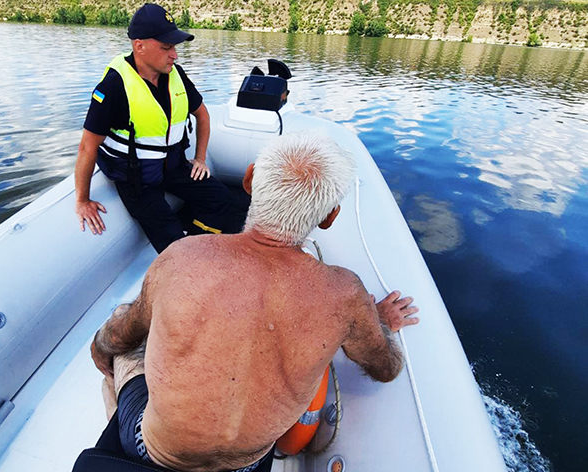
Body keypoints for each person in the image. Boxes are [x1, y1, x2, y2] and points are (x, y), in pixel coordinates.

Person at [90, 133, 420, 472]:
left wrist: (101, 352)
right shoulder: (346, 295)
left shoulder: (183, 258)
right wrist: (372, 320)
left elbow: (117, 338)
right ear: (329, 217)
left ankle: (114, 413)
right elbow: (386, 368)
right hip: (246, 465)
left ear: (249, 179)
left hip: (152, 452)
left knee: (124, 319)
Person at [75, 3, 240, 253]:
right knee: (173, 241)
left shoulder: (176, 74)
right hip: (136, 180)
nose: (174, 55)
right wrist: (83, 200)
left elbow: (202, 115)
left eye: (174, 47)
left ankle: (200, 246)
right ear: (139, 45)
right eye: (167, 47)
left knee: (225, 201)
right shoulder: (113, 87)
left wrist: (200, 158)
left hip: (173, 167)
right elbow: (88, 147)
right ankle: (187, 257)